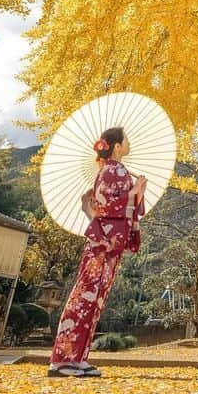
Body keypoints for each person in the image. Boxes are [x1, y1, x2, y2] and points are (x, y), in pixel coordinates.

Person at [47, 126, 146, 378]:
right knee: (85, 296)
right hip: (104, 242)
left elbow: (120, 206)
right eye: (127, 139)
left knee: (95, 298)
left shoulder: (115, 170)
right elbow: (106, 205)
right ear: (117, 146)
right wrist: (134, 194)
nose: (129, 143)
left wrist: (136, 194)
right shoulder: (113, 170)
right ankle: (62, 360)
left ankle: (78, 357)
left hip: (110, 244)